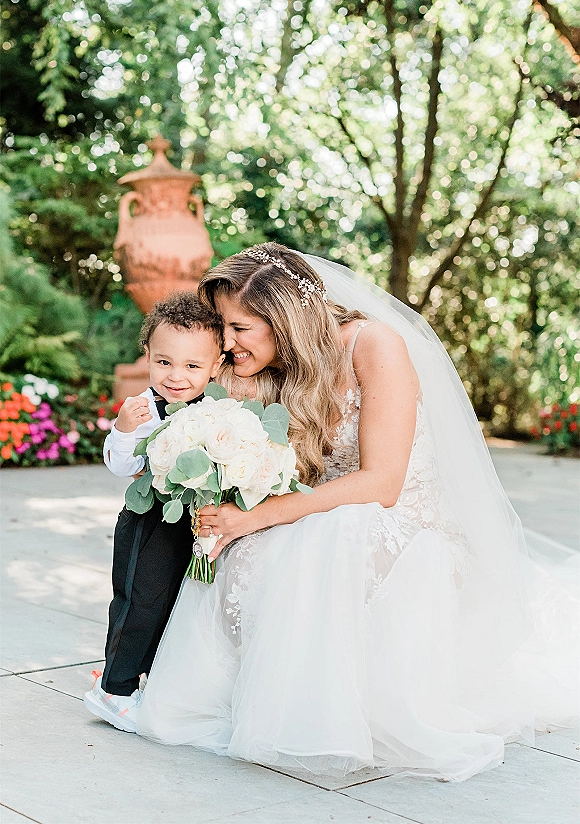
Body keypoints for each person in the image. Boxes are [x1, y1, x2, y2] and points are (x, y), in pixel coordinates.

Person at [136, 244, 578, 781]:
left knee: (334, 531)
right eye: (223, 326)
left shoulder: (374, 345)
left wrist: (259, 515)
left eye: (239, 328)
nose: (226, 343)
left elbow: (381, 484)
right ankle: (233, 689)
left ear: (286, 319)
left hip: (408, 530)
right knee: (243, 548)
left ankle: (324, 711)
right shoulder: (259, 364)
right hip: (321, 515)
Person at [84, 293, 224, 732]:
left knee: (174, 606)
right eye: (164, 362)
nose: (176, 376)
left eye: (192, 365)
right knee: (139, 603)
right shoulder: (141, 408)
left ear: (216, 365)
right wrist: (124, 430)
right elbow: (121, 465)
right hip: (149, 520)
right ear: (147, 355)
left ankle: (149, 683)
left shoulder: (217, 408)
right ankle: (114, 689)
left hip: (193, 523)